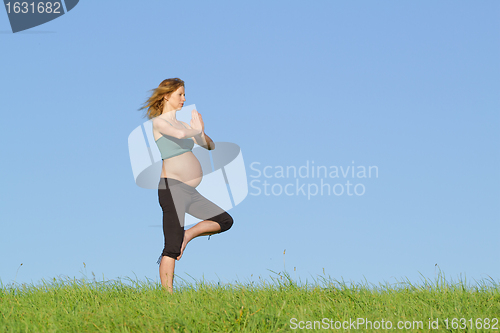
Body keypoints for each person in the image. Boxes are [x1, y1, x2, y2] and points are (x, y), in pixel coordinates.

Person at [139, 78, 233, 293]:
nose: (184, 98)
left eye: (184, 94)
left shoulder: (184, 125)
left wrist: (200, 132)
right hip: (171, 189)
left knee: (225, 221)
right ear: (166, 96)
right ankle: (167, 297)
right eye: (180, 94)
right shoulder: (159, 122)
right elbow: (181, 135)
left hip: (190, 191)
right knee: (171, 247)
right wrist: (194, 130)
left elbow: (209, 145)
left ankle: (188, 235)